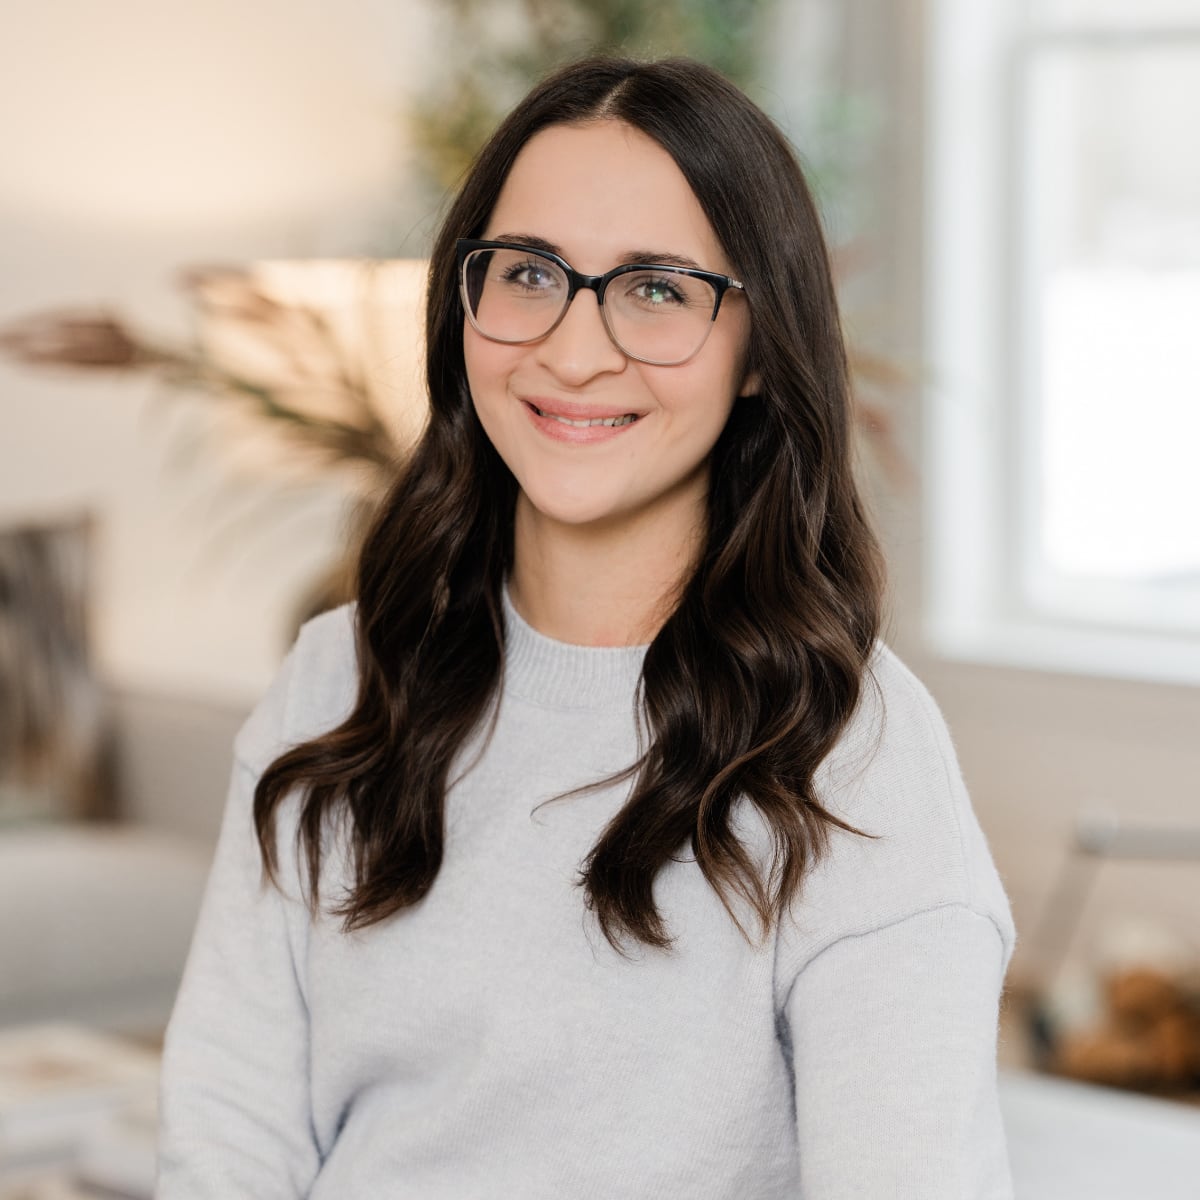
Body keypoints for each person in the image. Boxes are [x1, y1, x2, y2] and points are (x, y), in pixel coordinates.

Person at [157, 55, 1015, 1198]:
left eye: (658, 288)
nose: (571, 349)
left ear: (762, 349)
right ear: (464, 301)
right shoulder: (340, 678)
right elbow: (228, 1139)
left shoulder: (854, 754)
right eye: (529, 274)